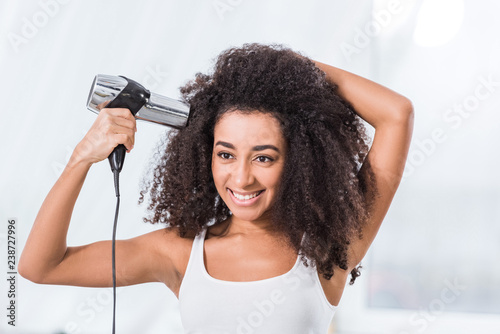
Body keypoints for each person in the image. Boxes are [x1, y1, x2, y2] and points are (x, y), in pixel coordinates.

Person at [19, 43, 414, 333]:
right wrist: (81, 158)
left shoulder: (330, 247)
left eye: (264, 157)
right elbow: (40, 266)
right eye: (226, 155)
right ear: (205, 155)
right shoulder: (178, 253)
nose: (241, 178)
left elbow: (397, 115)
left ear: (298, 162)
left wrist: (286, 71)